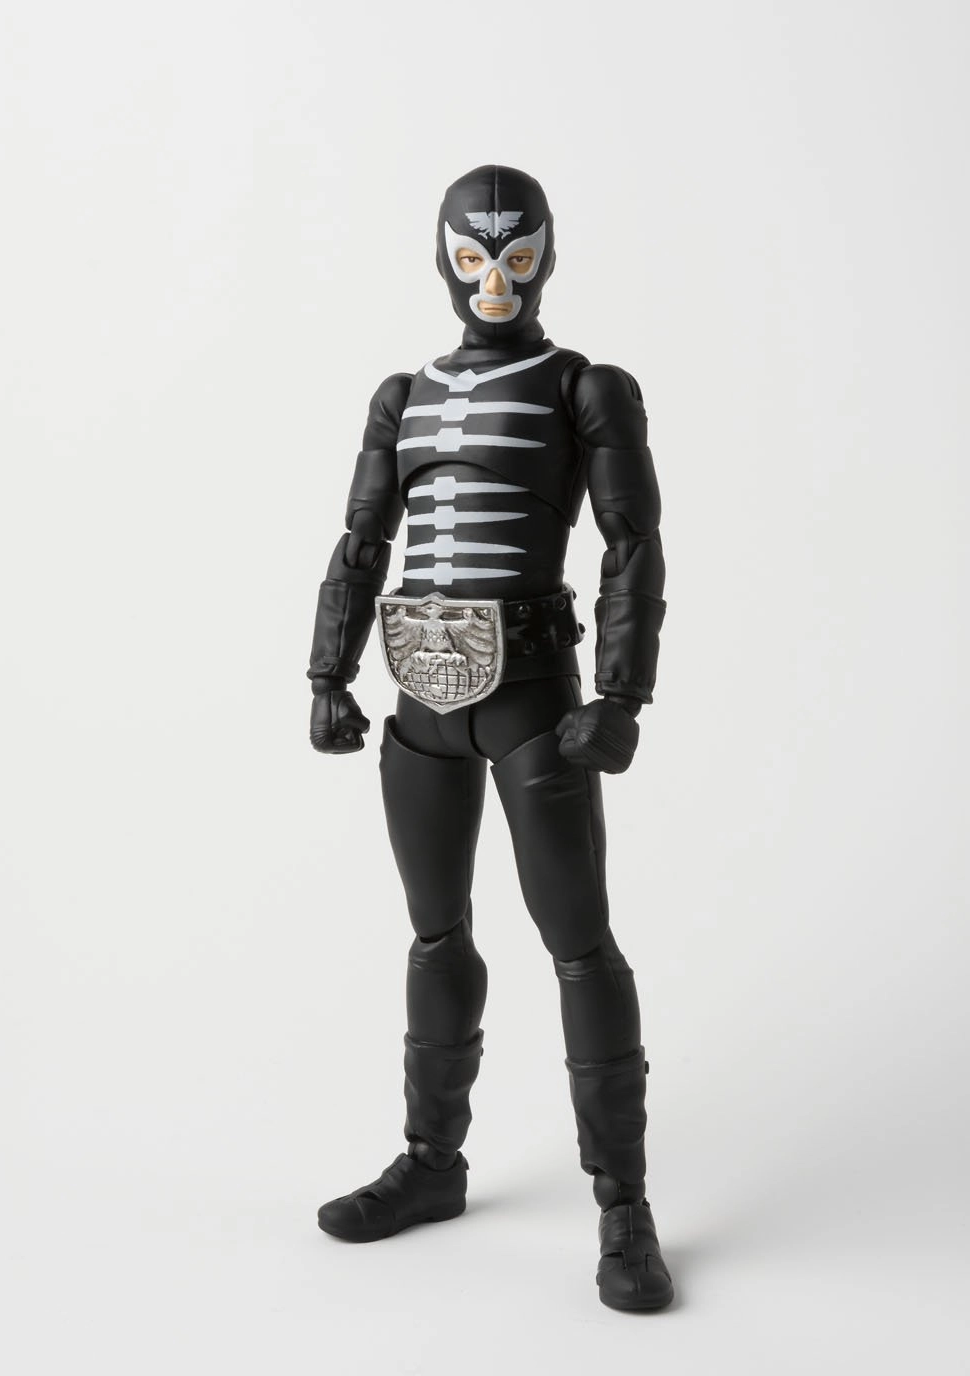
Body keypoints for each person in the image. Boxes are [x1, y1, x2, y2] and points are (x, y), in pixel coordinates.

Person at [307, 164, 672, 1311]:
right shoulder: (399, 395)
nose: (495, 280)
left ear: (546, 256)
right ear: (444, 259)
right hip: (419, 690)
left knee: (578, 941)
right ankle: (432, 1162)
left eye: (516, 257)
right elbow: (363, 541)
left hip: (531, 696)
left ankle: (624, 1206)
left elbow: (631, 542)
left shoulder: (583, 387)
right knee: (435, 933)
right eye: (474, 257)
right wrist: (326, 670)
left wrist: (619, 694)